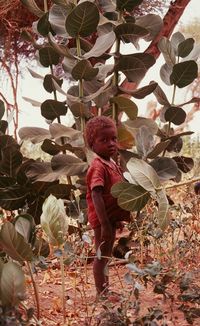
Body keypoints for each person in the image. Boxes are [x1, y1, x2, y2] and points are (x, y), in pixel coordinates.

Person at [85, 116, 130, 296]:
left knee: (105, 255)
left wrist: (116, 219)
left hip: (109, 218)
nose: (111, 143)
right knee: (101, 256)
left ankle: (106, 290)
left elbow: (113, 193)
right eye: (103, 140)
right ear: (92, 145)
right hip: (101, 220)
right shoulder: (98, 166)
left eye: (113, 139)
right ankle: (102, 293)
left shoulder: (111, 163)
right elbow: (96, 194)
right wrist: (104, 223)